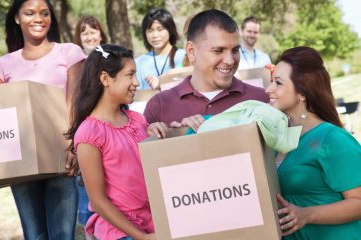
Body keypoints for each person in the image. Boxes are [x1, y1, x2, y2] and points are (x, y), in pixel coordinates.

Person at [0, 0, 86, 239]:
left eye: (44, 13)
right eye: (30, 13)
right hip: (21, 162)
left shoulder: (69, 52)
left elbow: (75, 101)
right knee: (34, 235)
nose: (38, 19)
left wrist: (72, 144)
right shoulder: (2, 65)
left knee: (63, 235)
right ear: (16, 18)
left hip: (61, 157)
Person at [65, 44, 166, 240]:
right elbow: (98, 200)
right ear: (105, 79)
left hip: (154, 223)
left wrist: (157, 134)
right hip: (121, 232)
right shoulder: (89, 133)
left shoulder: (138, 120)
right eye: (130, 75)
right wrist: (141, 237)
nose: (136, 82)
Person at [265, 46, 361, 240]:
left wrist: (307, 214)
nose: (269, 90)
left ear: (302, 92)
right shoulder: (276, 138)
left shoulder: (332, 139)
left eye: (278, 83)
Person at [144, 9, 269, 131]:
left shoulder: (262, 100)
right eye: (218, 51)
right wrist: (176, 135)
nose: (230, 61)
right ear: (191, 51)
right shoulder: (159, 106)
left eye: (235, 50)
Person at [73, 14, 108, 240]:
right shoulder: (75, 66)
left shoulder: (112, 58)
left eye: (93, 31)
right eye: (84, 32)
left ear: (101, 33)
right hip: (86, 135)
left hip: (110, 133)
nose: (89, 36)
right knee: (88, 193)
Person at [135, 8, 186, 90]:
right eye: (150, 30)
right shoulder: (139, 62)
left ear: (170, 30)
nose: (155, 35)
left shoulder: (184, 57)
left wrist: (162, 85)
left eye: (160, 29)